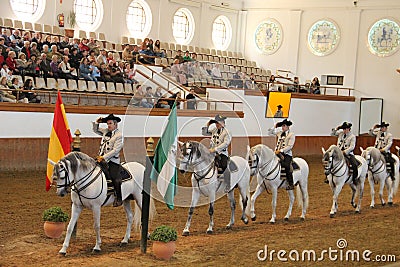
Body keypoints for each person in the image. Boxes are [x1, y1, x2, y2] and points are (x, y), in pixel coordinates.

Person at [92, 114, 124, 207]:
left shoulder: (119, 135)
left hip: (112, 161)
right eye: (107, 123)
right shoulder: (105, 131)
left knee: (114, 177)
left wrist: (104, 157)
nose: (108, 126)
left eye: (110, 123)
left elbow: (115, 150)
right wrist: (97, 122)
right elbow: (95, 130)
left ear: (116, 124)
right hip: (101, 159)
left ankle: (119, 198)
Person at [203, 114, 232, 192]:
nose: (217, 124)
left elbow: (226, 143)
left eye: (218, 123)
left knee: (224, 165)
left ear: (223, 123)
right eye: (216, 123)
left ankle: (228, 184)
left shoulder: (227, 132)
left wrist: (215, 149)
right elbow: (204, 133)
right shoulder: (214, 130)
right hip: (211, 152)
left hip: (222, 153)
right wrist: (208, 124)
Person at [268, 119, 295, 190]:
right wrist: (275, 126)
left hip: (286, 154)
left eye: (284, 126)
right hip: (276, 153)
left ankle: (290, 183)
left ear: (288, 127)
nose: (282, 127)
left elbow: (290, 146)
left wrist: (281, 151)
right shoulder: (279, 133)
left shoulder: (291, 135)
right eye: (282, 126)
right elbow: (269, 133)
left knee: (286, 166)